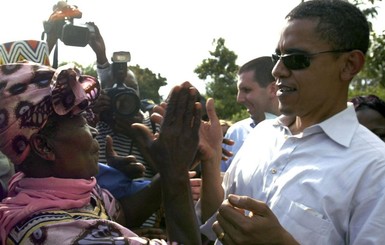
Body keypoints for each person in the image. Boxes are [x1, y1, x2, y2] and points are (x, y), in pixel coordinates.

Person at [197, 0, 385, 244]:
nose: (277, 70)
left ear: (349, 65)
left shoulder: (375, 169)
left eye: (296, 58)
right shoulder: (262, 135)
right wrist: (210, 162)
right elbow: (216, 221)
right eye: (278, 56)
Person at [0, 61, 203, 244]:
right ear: (44, 146)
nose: (94, 130)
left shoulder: (68, 192)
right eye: (81, 122)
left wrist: (169, 168)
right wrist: (175, 173)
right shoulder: (59, 235)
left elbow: (121, 214)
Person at [221, 56, 280, 172]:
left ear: (273, 89)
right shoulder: (236, 133)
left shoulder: (302, 134)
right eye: (239, 91)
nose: (239, 99)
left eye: (246, 90)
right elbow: (220, 184)